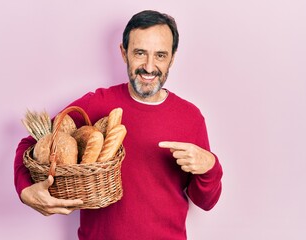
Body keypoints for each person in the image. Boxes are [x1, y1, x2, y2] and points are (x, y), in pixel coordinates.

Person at [14, 10, 223, 240]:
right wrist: (25, 190)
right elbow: (32, 141)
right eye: (140, 53)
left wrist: (210, 166)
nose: (149, 67)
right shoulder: (98, 104)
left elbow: (206, 202)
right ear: (124, 53)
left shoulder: (190, 117)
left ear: (172, 58)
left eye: (161, 55)